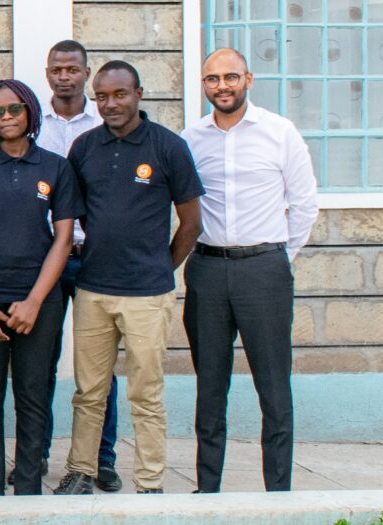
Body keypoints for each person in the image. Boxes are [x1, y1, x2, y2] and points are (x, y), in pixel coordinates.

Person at [54, 61, 202, 496]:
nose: (111, 104)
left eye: (120, 94)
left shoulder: (168, 147)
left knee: (146, 394)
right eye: (102, 97)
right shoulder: (84, 147)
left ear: (139, 93)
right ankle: (80, 471)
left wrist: (160, 268)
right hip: (93, 290)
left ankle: (150, 482)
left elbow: (190, 222)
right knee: (89, 392)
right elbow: (76, 215)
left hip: (148, 294)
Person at [181, 48, 317, 493]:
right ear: (204, 86)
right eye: (213, 79)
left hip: (264, 270)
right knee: (210, 388)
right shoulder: (191, 138)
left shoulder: (280, 132)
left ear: (248, 80)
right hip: (207, 270)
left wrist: (277, 258)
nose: (222, 86)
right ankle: (207, 489)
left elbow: (304, 206)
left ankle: (278, 493)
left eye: (231, 77)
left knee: (274, 388)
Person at [0, 80, 78, 496]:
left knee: (33, 394)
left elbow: (63, 239)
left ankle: (27, 489)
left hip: (38, 301)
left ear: (30, 112)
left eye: (14, 109)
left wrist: (36, 301)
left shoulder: (55, 167)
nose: (6, 118)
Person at [32, 38, 119, 491]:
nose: (64, 76)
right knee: (39, 363)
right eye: (56, 68)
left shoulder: (106, 122)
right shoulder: (32, 125)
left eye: (72, 69)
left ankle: (102, 458)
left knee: (99, 367)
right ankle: (36, 455)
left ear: (86, 73)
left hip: (93, 259)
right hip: (44, 259)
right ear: (47, 73)